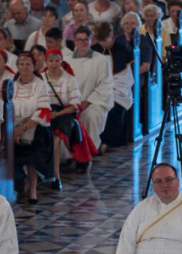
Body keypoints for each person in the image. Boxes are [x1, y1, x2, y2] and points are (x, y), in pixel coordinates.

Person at [12, 53, 52, 203]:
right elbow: (7, 107)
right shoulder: (12, 85)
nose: (24, 67)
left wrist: (23, 128)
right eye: (21, 64)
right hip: (15, 126)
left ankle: (33, 189)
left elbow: (43, 111)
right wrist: (15, 130)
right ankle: (15, 185)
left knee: (33, 154)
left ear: (33, 66)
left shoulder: (40, 84)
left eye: (28, 64)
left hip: (36, 126)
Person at [66, 25, 113, 151]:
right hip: (72, 103)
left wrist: (89, 101)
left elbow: (106, 84)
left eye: (85, 39)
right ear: (74, 41)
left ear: (91, 40)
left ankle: (89, 151)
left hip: (94, 103)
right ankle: (71, 152)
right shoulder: (67, 61)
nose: (82, 43)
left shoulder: (101, 60)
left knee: (90, 116)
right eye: (79, 40)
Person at [44, 48, 82, 189]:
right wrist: (48, 112)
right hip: (46, 112)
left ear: (61, 62)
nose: (54, 64)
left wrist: (58, 114)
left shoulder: (69, 79)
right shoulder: (41, 78)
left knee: (55, 140)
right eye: (51, 61)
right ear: (46, 62)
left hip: (63, 114)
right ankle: (50, 174)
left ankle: (55, 176)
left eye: (57, 61)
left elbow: (75, 105)